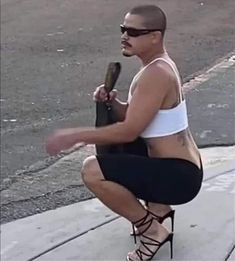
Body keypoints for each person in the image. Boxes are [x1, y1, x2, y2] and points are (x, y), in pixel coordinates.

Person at [46, 5, 203, 261]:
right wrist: (112, 104)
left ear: (155, 37)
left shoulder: (156, 74)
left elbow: (128, 132)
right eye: (123, 29)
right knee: (116, 154)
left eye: (133, 31)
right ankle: (159, 209)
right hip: (178, 166)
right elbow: (138, 116)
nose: (124, 36)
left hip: (180, 177)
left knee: (92, 170)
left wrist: (75, 135)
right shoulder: (157, 66)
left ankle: (151, 230)